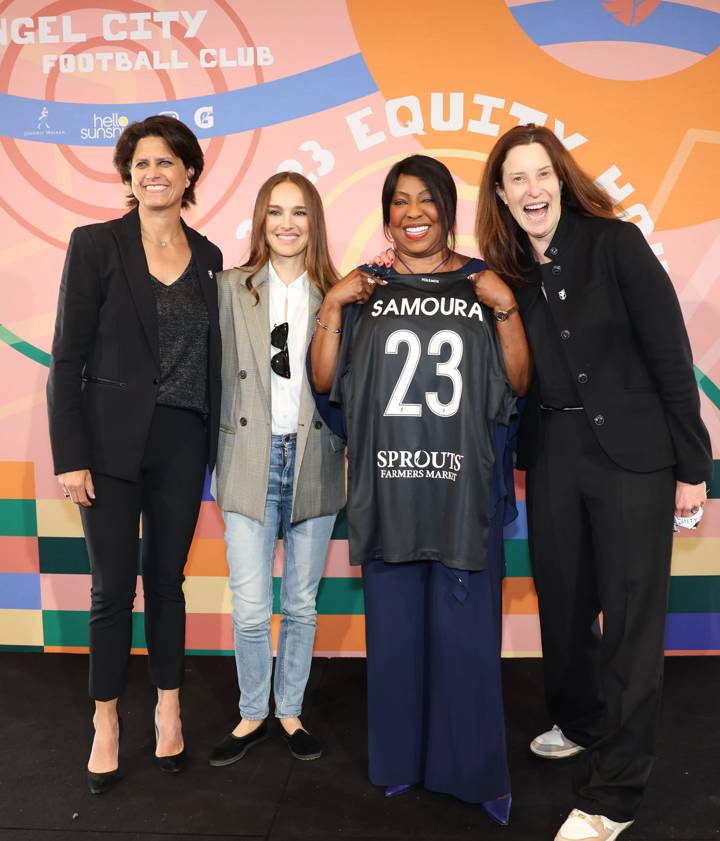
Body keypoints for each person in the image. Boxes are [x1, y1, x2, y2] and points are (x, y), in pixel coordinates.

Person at [476, 124, 713, 841]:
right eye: (515, 178)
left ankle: (616, 795)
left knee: (632, 622)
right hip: (553, 455)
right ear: (500, 195)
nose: (531, 189)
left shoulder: (617, 244)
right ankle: (580, 723)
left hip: (634, 458)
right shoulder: (509, 274)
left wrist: (692, 467)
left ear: (561, 177)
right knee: (566, 603)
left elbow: (672, 357)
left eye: (541, 173)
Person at [311, 155, 530, 826]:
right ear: (387, 213)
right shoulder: (365, 288)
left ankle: (475, 772)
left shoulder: (480, 283)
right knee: (399, 636)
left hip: (464, 491)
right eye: (400, 200)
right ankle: (401, 761)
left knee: (466, 642)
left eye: (427, 199)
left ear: (447, 209)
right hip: (391, 490)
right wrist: (330, 303)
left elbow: (518, 384)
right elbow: (326, 384)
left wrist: (506, 306)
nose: (413, 212)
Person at [47, 115, 223, 794]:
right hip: (108, 445)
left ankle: (168, 709)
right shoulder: (94, 245)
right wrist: (72, 455)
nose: (153, 173)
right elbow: (68, 356)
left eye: (166, 162)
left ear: (189, 175)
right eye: (141, 163)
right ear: (128, 176)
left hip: (184, 441)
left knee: (168, 582)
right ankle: (107, 720)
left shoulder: (210, 257)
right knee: (111, 588)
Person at [208, 173, 346, 766]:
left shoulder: (340, 294)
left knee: (302, 602)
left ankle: (289, 710)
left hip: (315, 458)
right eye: (275, 212)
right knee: (250, 605)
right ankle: (250, 712)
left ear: (314, 222)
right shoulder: (228, 287)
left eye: (299, 213)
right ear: (260, 220)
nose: (287, 224)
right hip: (247, 458)